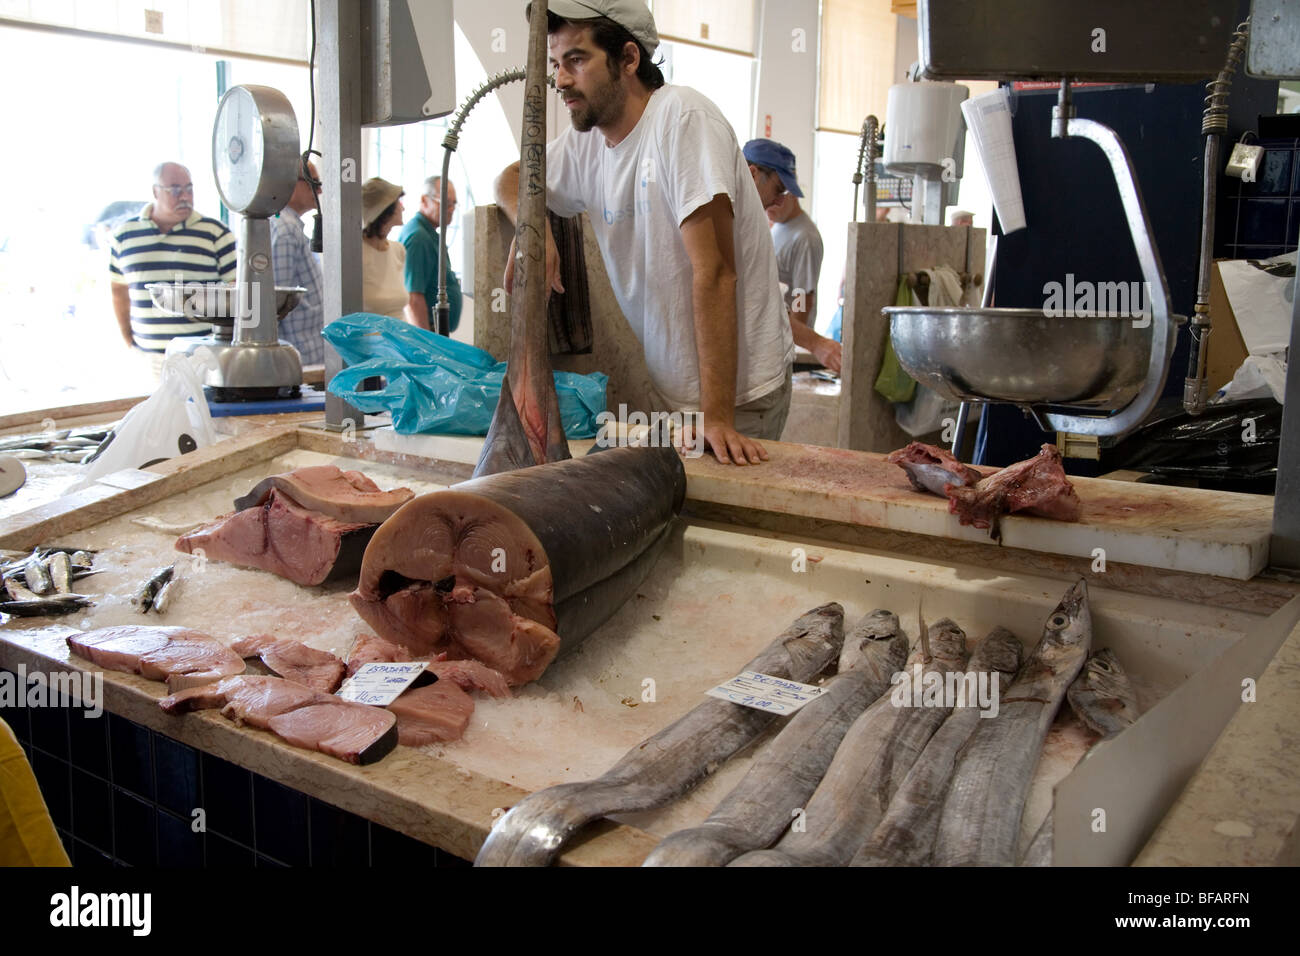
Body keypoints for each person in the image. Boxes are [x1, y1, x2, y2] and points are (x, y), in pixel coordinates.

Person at [495, 0, 794, 466]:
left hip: (737, 400)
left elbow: (715, 272)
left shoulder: (683, 119)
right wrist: (534, 228)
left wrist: (716, 418)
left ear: (629, 59)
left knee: (718, 531)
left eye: (576, 60)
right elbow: (513, 176)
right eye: (556, 64)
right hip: (678, 397)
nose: (560, 81)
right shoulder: (586, 144)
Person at [109, 162, 236, 357]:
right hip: (150, 356)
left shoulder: (216, 233)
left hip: (202, 356)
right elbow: (119, 291)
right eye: (175, 190)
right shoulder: (124, 235)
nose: (185, 197)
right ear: (155, 192)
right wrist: (128, 340)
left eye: (189, 189)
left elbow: (239, 290)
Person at [743, 139, 841, 375]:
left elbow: (801, 295)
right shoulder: (773, 225)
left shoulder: (805, 237)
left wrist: (797, 338)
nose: (776, 201)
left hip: (784, 341)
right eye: (778, 190)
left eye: (783, 193)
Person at [270, 159, 326, 364]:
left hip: (307, 350)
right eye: (314, 182)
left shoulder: (289, 226)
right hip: (298, 354)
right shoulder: (285, 230)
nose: (319, 191)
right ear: (289, 183)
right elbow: (275, 304)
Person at [399, 175, 463, 335]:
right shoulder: (419, 237)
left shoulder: (429, 234)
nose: (451, 209)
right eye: (446, 203)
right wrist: (427, 344)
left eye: (453, 203)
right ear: (424, 200)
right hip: (429, 331)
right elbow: (413, 297)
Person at [360, 178, 408, 321]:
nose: (403, 208)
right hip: (370, 340)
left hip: (400, 339)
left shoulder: (398, 250)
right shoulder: (356, 253)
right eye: (399, 203)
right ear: (387, 210)